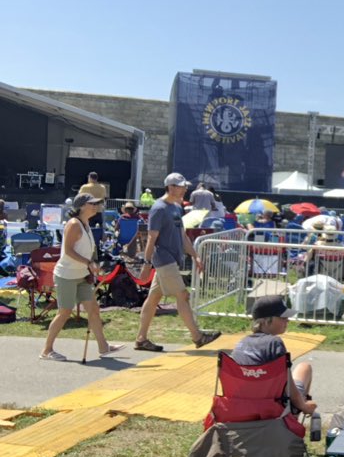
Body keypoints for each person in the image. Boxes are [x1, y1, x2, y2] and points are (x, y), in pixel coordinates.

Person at [134, 172, 221, 352]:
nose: (185, 189)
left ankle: (141, 339)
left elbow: (182, 236)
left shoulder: (175, 207)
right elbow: (151, 238)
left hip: (171, 259)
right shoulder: (159, 208)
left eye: (185, 186)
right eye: (181, 186)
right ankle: (198, 336)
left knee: (153, 298)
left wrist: (195, 255)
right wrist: (146, 263)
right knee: (182, 295)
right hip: (164, 259)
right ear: (171, 187)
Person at [39, 193, 125, 361]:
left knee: (93, 309)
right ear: (81, 206)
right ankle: (47, 350)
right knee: (64, 312)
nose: (96, 206)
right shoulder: (74, 224)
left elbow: (88, 251)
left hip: (82, 275)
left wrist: (94, 265)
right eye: (92, 204)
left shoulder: (86, 224)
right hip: (67, 275)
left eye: (96, 203)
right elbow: (68, 251)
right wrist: (88, 263)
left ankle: (103, 346)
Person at [231, 295, 316, 416]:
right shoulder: (274, 343)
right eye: (283, 317)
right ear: (267, 321)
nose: (287, 320)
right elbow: (288, 387)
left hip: (242, 406)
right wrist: (304, 407)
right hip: (272, 408)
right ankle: (292, 419)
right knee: (305, 367)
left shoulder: (241, 343)